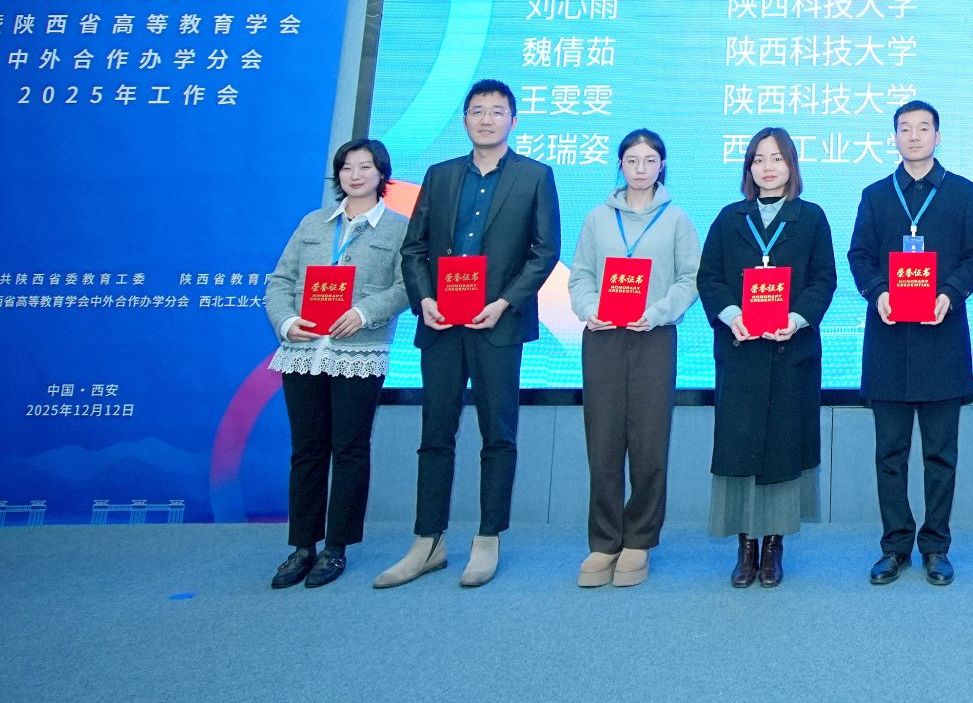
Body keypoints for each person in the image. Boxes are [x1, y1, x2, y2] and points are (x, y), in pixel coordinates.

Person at [376, 79, 561, 590]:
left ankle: (487, 537)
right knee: (435, 434)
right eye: (477, 110)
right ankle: (427, 540)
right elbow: (414, 249)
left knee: (497, 434)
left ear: (513, 121)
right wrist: (425, 299)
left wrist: (503, 303)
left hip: (497, 325)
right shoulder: (440, 176)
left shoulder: (535, 176)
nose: (486, 119)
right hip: (441, 324)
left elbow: (544, 251)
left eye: (497, 111)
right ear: (464, 120)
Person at [847, 100, 973, 587]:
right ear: (894, 138)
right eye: (905, 129)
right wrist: (878, 292)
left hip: (942, 337)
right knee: (890, 453)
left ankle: (936, 546)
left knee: (940, 454)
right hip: (888, 340)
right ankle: (894, 546)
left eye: (923, 128)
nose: (914, 136)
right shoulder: (875, 195)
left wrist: (950, 293)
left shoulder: (963, 192)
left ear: (937, 136)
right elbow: (859, 255)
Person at [263, 138, 410, 589]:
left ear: (381, 174)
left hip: (358, 351)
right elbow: (280, 280)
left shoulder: (399, 228)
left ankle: (337, 547)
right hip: (303, 352)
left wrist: (364, 313)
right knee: (306, 450)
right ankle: (302, 546)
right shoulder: (313, 222)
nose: (355, 175)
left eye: (365, 167)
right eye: (347, 167)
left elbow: (407, 286)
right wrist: (287, 322)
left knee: (349, 449)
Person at [696, 127, 836, 589]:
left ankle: (774, 546)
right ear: (748, 168)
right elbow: (709, 278)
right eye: (759, 159)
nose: (768, 167)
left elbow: (824, 280)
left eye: (777, 158)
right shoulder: (729, 218)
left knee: (782, 449)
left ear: (791, 165)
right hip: (741, 353)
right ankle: (745, 547)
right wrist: (732, 315)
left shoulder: (811, 218)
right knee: (740, 447)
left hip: (790, 351)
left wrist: (796, 319)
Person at [566, 129, 700, 588]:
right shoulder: (597, 218)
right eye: (632, 160)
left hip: (653, 337)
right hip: (603, 338)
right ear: (620, 165)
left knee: (648, 440)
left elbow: (690, 278)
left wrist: (658, 313)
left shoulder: (676, 218)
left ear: (662, 165)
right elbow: (580, 275)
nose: (641, 169)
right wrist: (590, 309)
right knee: (603, 440)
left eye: (650, 160)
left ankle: (639, 539)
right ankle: (604, 540)